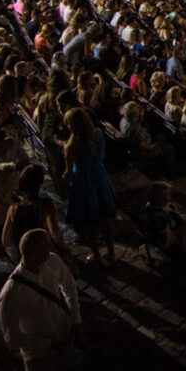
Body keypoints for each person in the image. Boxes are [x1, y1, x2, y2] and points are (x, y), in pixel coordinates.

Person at [0, 229, 85, 371]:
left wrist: (76, 322)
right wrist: (48, 344)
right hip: (40, 357)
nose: (50, 248)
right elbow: (12, 339)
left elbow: (70, 287)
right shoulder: (11, 293)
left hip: (66, 339)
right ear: (34, 253)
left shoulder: (53, 261)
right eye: (47, 246)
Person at [63, 107, 117, 266]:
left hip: (83, 182)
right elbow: (100, 156)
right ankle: (112, 254)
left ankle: (96, 255)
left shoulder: (71, 146)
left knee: (89, 222)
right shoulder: (98, 134)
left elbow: (68, 172)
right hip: (99, 177)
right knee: (105, 218)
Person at [3, 164, 67, 262]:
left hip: (25, 254)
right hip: (44, 252)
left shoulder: (13, 208)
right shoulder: (46, 205)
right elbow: (55, 233)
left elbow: (5, 239)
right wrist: (66, 249)